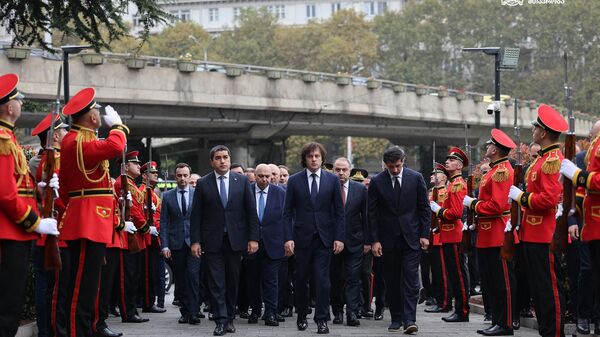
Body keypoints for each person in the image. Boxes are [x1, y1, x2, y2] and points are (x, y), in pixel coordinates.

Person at [59, 88, 128, 337]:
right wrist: (118, 126)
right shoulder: (78, 141)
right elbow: (114, 146)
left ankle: (87, 328)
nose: (99, 114)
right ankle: (78, 331)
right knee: (82, 284)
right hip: (86, 218)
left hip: (90, 216)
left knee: (90, 281)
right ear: (92, 117)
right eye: (96, 111)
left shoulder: (79, 139)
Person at [0, 74, 59, 337]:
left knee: (10, 303)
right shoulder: (2, 139)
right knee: (7, 306)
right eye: (18, 101)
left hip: (16, 230)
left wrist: (39, 191)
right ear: (10, 107)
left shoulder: (8, 138)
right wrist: (34, 221)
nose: (21, 105)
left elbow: (18, 186)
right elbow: (4, 192)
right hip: (9, 230)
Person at [509, 104, 567, 337]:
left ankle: (554, 332)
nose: (533, 130)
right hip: (532, 232)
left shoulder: (552, 159)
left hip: (544, 233)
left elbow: (549, 199)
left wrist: (522, 197)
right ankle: (546, 330)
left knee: (548, 288)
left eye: (536, 127)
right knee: (538, 288)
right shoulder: (542, 159)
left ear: (543, 133)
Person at [190, 145, 259, 336]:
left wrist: (253, 238)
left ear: (229, 159)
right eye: (218, 158)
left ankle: (229, 318)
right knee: (216, 282)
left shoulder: (242, 181)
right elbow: (196, 215)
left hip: (235, 241)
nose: (222, 161)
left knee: (233, 281)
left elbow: (251, 212)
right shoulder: (204, 183)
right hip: (212, 241)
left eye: (225, 157)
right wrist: (195, 241)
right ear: (212, 161)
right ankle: (220, 320)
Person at [283, 142, 345, 334]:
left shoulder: (332, 180)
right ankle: (301, 314)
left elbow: (339, 212)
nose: (314, 159)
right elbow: (287, 213)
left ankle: (321, 319)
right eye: (310, 156)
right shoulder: (294, 181)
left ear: (322, 158)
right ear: (305, 159)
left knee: (322, 279)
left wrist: (339, 237)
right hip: (301, 238)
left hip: (324, 239)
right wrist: (288, 238)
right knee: (301, 279)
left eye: (317, 156)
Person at [369, 146, 430, 334]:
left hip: (411, 238)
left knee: (411, 279)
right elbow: (372, 214)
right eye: (390, 166)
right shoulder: (377, 182)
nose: (394, 170)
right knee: (392, 280)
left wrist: (424, 235)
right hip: (388, 240)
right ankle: (396, 317)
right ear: (385, 164)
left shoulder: (416, 178)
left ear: (403, 161)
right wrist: (374, 240)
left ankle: (409, 319)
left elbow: (424, 209)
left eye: (397, 165)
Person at [464, 129, 517, 336]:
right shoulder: (494, 170)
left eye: (489, 145)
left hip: (497, 233)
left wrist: (474, 205)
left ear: (495, 149)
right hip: (486, 233)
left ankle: (506, 324)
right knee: (490, 282)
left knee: (502, 282)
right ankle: (496, 320)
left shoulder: (502, 171)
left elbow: (497, 205)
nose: (487, 147)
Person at [28, 112, 69, 337]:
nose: (65, 134)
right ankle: (46, 330)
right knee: (46, 285)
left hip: (54, 228)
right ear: (53, 137)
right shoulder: (38, 161)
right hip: (44, 231)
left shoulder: (52, 158)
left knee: (53, 284)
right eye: (62, 130)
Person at [430, 147, 470, 323]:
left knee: (458, 275)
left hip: (454, 235)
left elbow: (455, 213)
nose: (447, 162)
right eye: (447, 159)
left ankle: (462, 311)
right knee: (454, 274)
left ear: (459, 165)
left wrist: (438, 211)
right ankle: (459, 309)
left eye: (452, 160)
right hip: (448, 234)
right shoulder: (452, 184)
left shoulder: (458, 184)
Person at [246, 164, 287, 326]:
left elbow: (286, 218)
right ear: (255, 176)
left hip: (274, 243)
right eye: (260, 176)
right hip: (251, 244)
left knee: (271, 280)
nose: (264, 179)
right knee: (253, 280)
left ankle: (270, 312)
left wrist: (287, 240)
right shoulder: (246, 191)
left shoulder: (280, 193)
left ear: (272, 176)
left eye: (267, 176)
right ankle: (255, 311)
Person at [159, 163, 201, 325]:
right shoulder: (168, 196)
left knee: (193, 277)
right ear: (175, 177)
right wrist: (165, 245)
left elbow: (202, 219)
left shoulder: (197, 194)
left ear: (190, 177)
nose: (182, 179)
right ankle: (184, 312)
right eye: (179, 176)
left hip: (194, 243)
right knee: (181, 279)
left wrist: (201, 241)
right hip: (176, 244)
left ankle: (194, 311)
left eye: (185, 175)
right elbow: (164, 223)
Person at [330, 158, 369, 327]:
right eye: (337, 169)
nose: (340, 173)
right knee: (335, 278)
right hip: (332, 242)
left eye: (344, 169)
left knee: (354, 278)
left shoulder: (360, 189)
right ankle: (337, 311)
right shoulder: (327, 188)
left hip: (355, 241)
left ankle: (352, 312)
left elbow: (366, 216)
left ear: (350, 171)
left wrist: (368, 240)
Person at [112, 151, 151, 324]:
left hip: (135, 236)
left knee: (133, 276)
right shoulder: (122, 182)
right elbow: (133, 210)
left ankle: (131, 309)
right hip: (129, 236)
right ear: (126, 166)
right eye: (135, 163)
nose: (138, 165)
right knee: (126, 277)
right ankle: (128, 312)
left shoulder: (131, 183)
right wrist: (144, 226)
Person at [424, 163, 452, 314]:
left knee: (442, 272)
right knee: (435, 271)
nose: (431, 176)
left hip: (440, 235)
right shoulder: (432, 192)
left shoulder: (444, 192)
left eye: (435, 174)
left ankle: (444, 302)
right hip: (432, 235)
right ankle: (438, 299)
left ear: (443, 177)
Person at [139, 161, 166, 313]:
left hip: (155, 235)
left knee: (154, 272)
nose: (156, 174)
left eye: (156, 172)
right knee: (149, 272)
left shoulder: (151, 192)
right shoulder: (143, 191)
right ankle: (147, 302)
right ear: (144, 175)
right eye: (152, 172)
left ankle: (150, 300)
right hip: (148, 236)